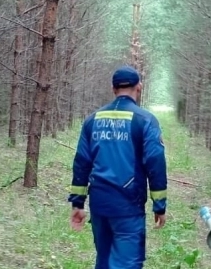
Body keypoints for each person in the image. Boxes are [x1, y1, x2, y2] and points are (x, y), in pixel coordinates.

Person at [68, 65, 168, 269]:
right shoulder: (145, 120)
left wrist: (78, 203)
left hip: (99, 205)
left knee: (103, 260)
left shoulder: (92, 120)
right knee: (128, 263)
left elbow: (81, 163)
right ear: (139, 87)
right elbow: (155, 162)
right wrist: (159, 205)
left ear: (113, 89)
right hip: (128, 207)